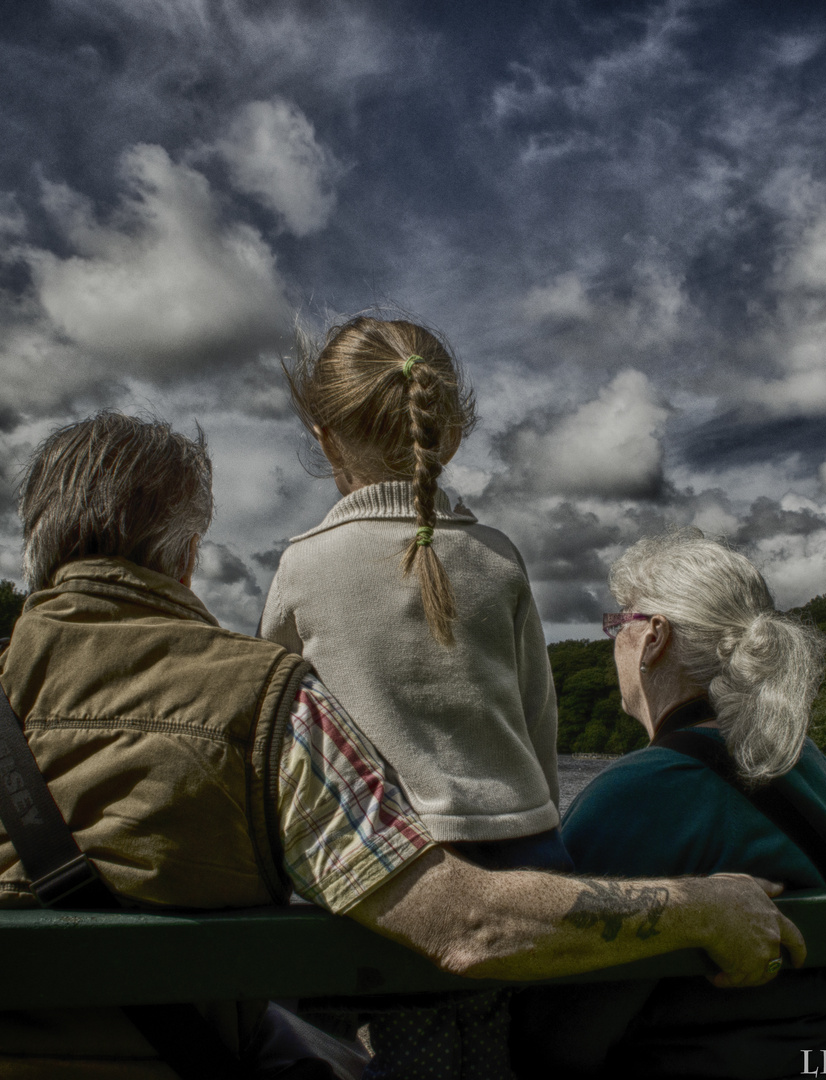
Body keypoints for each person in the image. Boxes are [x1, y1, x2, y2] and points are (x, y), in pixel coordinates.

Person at [0, 415, 803, 1080]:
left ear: (36, 541)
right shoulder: (259, 700)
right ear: (191, 548)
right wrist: (695, 904)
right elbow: (465, 924)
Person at [257, 316, 568, 1077]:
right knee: (475, 1051)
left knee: (303, 1041)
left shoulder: (304, 566)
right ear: (451, 431)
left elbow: (269, 728)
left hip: (374, 878)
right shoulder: (499, 557)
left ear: (324, 437)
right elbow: (539, 725)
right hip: (514, 862)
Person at [513, 529, 826, 1079]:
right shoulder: (817, 771)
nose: (613, 640)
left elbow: (555, 1034)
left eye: (618, 624)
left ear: (655, 636)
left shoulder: (642, 792)